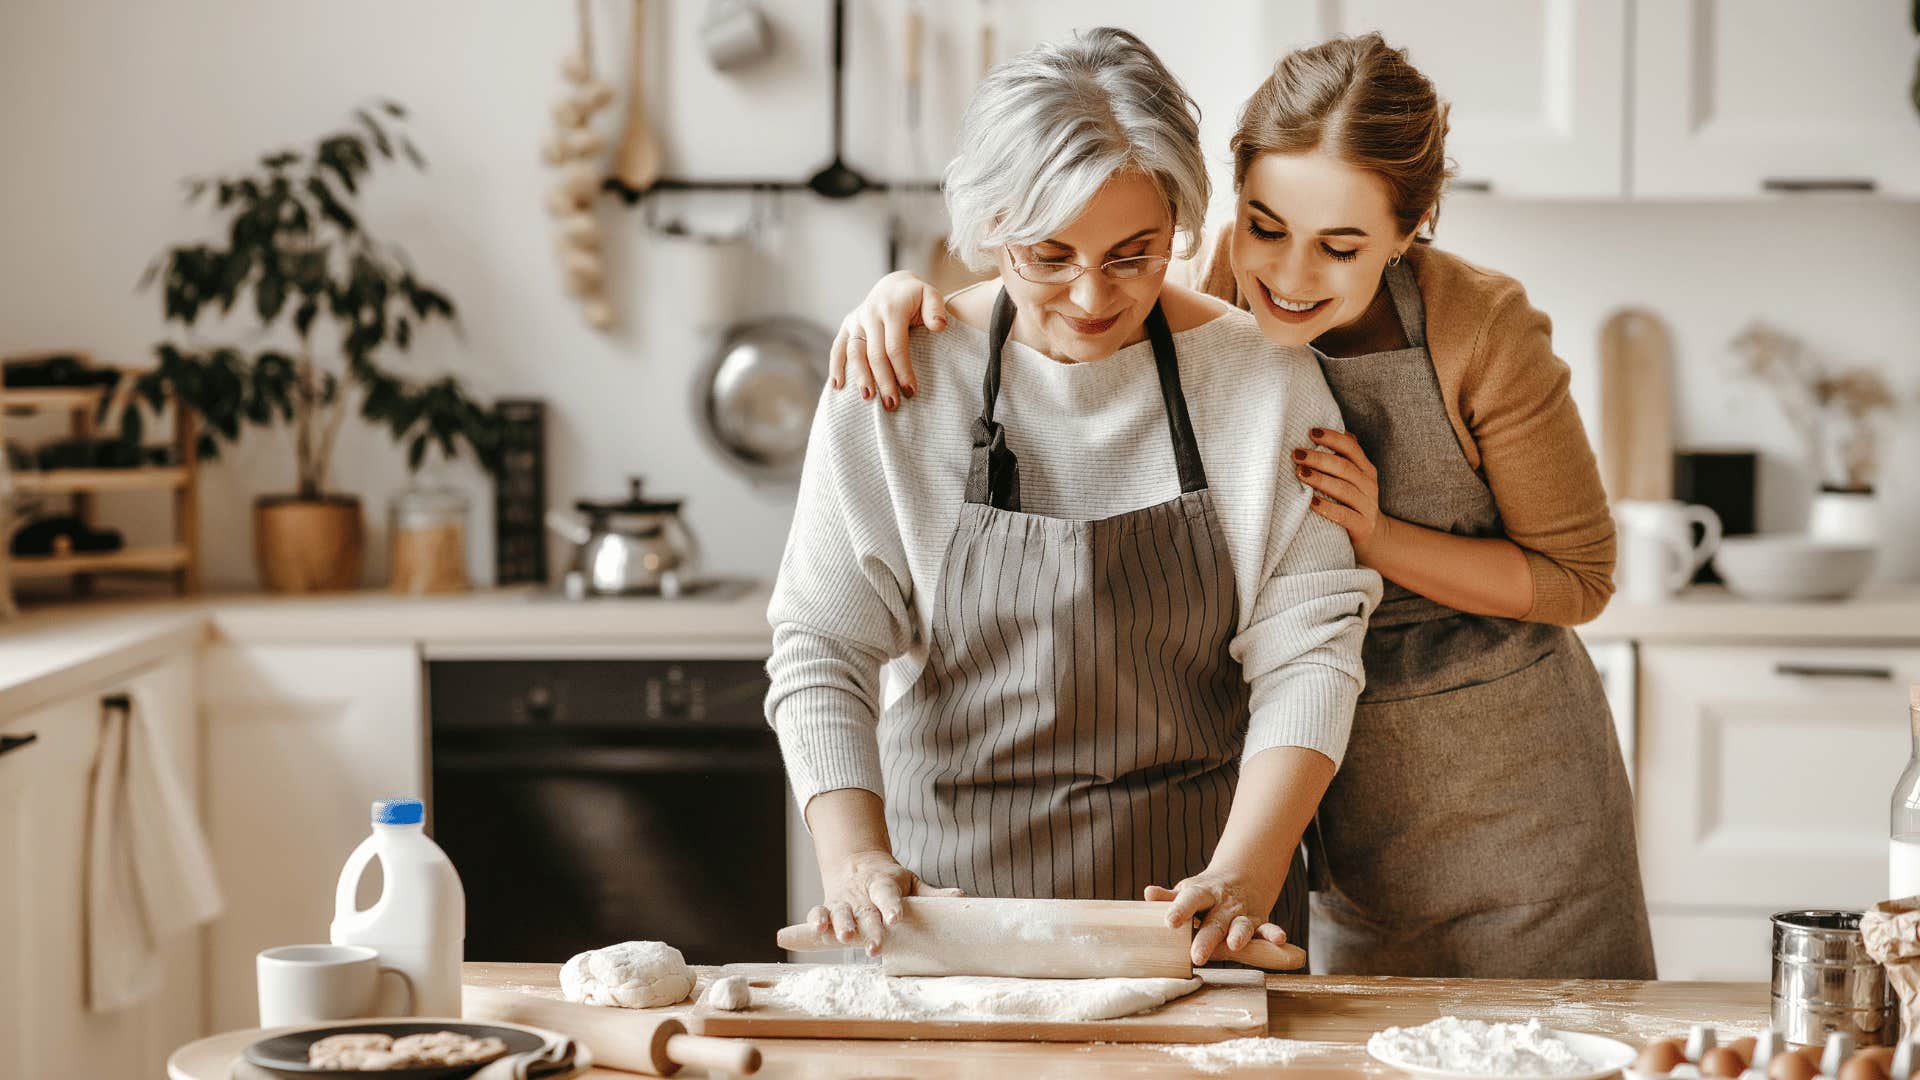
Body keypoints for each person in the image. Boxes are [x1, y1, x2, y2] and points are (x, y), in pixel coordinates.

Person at [824, 32, 1655, 978]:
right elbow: (1073, 274)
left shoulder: (1476, 331)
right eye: (1266, 227)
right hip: (1324, 791)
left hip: (1503, 786)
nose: (1291, 277)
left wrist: (1374, 537)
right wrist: (908, 300)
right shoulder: (1211, 295)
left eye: (1341, 248)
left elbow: (1576, 579)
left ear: (1414, 226)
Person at [766, 27, 1378, 967]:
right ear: (989, 229)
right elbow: (822, 643)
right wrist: (853, 860)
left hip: (1197, 919)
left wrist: (1247, 876)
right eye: (1048, 256)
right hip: (947, 923)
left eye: (1136, 254)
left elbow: (1310, 652)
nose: (1094, 296)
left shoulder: (1262, 383)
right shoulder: (898, 378)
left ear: (1180, 222)